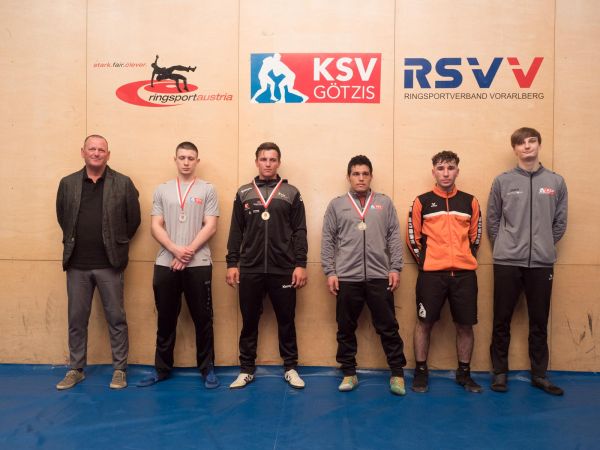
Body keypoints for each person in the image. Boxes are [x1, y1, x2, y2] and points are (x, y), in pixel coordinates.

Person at [55, 134, 141, 390]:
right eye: (91, 149)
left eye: (101, 150)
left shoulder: (123, 183)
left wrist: (117, 243)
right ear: (83, 152)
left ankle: (119, 369)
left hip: (109, 264)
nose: (96, 153)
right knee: (76, 319)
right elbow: (63, 217)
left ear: (108, 154)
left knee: (116, 318)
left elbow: (133, 220)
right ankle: (76, 369)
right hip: (76, 265)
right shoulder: (68, 183)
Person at [487, 127, 568, 396]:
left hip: (542, 262)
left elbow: (560, 222)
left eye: (532, 141)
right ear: (515, 149)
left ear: (539, 145)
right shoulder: (503, 181)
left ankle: (539, 375)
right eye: (521, 143)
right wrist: (505, 244)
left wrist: (544, 243)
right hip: (508, 261)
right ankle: (500, 373)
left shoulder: (556, 182)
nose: (527, 146)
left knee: (539, 321)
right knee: (501, 319)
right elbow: (493, 219)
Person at [321, 155, 407, 395]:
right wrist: (330, 271)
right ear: (348, 177)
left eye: (365, 174)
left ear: (371, 176)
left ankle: (397, 374)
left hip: (380, 276)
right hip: (347, 277)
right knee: (345, 328)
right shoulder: (337, 205)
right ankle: (349, 373)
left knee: (388, 327)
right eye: (356, 174)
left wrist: (395, 267)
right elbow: (327, 239)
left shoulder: (384, 203)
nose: (361, 178)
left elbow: (394, 236)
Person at [226, 142, 308, 389]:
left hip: (283, 268)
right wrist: (232, 263)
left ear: (279, 163)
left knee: (286, 320)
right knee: (249, 321)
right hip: (250, 268)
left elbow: (300, 230)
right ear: (257, 162)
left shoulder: (291, 193)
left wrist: (300, 264)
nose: (268, 164)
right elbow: (236, 230)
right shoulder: (243, 193)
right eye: (264, 159)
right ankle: (246, 369)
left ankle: (291, 367)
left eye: (273, 159)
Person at [138, 142, 219, 389]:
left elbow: (211, 225)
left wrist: (188, 252)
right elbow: (155, 225)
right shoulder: (162, 190)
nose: (186, 162)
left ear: (197, 161)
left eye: (190, 158)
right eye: (182, 157)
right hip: (166, 262)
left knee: (203, 319)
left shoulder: (208, 189)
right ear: (175, 159)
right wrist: (175, 250)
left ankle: (207, 369)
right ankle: (162, 369)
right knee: (165, 318)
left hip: (198, 263)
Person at [406, 151, 482, 393]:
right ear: (434, 172)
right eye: (441, 168)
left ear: (457, 171)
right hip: (431, 275)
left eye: (450, 168)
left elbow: (476, 237)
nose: (446, 173)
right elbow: (412, 237)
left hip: (464, 275)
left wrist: (464, 258)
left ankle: (464, 374)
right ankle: (420, 372)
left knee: (465, 325)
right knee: (424, 323)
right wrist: (427, 261)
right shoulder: (422, 201)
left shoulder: (470, 201)